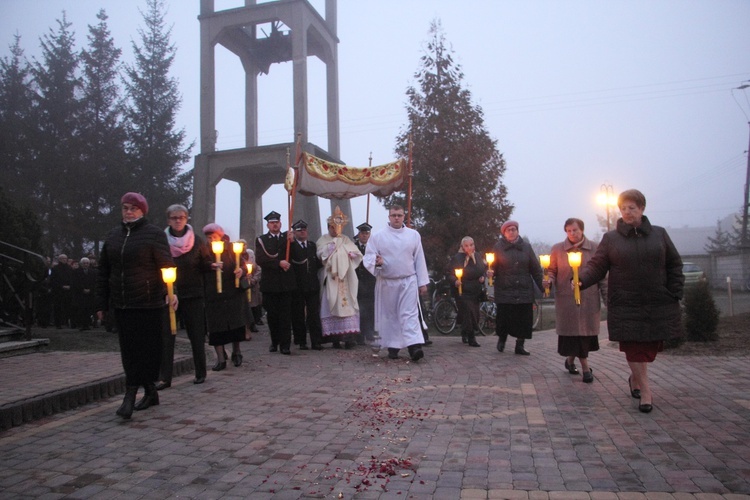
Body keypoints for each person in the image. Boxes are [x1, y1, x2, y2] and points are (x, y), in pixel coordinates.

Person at [579, 189, 684, 413]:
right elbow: (597, 266)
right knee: (634, 348)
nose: (627, 213)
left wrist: (674, 290)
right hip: (626, 302)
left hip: (656, 301)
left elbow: (674, 264)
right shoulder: (611, 239)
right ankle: (646, 392)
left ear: (642, 209)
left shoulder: (659, 234)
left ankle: (635, 378)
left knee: (649, 348)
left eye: (632, 208)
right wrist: (580, 281)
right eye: (623, 208)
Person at [96, 192, 176, 420]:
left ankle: (129, 397)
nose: (129, 212)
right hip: (122, 304)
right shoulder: (113, 237)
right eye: (125, 208)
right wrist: (102, 303)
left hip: (148, 303)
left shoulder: (154, 235)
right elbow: (104, 272)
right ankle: (150, 392)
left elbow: (167, 266)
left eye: (133, 208)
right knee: (129, 352)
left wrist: (171, 293)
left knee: (145, 352)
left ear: (142, 211)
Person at [156, 205, 213, 388]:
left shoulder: (196, 241)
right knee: (166, 337)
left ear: (187, 218)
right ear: (168, 220)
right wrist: (165, 291)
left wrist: (212, 266)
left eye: (181, 217)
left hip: (193, 294)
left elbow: (205, 264)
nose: (178, 220)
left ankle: (200, 372)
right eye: (174, 217)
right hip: (170, 295)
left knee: (196, 335)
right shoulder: (161, 241)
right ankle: (165, 377)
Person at [363, 204, 429, 361]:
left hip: (408, 280)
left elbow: (419, 259)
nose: (397, 218)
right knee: (390, 315)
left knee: (409, 314)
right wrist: (376, 262)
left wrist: (422, 282)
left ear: (404, 216)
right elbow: (369, 256)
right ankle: (393, 347)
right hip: (387, 282)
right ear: (389, 217)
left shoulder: (413, 235)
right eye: (394, 215)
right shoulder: (378, 236)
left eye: (399, 215)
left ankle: (414, 347)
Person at [547, 218, 606, 383]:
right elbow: (552, 270)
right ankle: (586, 369)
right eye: (568, 231)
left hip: (588, 299)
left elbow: (602, 275)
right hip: (567, 301)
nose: (572, 234)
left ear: (582, 230)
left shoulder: (595, 248)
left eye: (575, 230)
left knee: (583, 335)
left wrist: (607, 297)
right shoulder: (558, 249)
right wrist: (549, 280)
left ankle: (570, 361)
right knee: (574, 335)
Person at [489, 220, 544, 356]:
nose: (512, 232)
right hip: (505, 289)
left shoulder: (526, 247)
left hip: (523, 289)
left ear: (517, 231)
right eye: (509, 230)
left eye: (514, 229)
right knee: (504, 318)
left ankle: (520, 345)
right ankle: (502, 339)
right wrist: (490, 272)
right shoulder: (498, 247)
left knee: (524, 319)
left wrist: (543, 285)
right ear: (504, 233)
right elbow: (492, 267)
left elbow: (535, 269)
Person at [316, 207, 362, 348]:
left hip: (346, 279)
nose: (335, 229)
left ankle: (348, 338)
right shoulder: (323, 240)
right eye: (333, 227)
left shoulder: (346, 239)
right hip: (331, 278)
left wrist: (352, 255)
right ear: (329, 226)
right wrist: (330, 248)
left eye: (338, 227)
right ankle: (334, 338)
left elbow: (356, 253)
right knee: (330, 304)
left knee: (348, 306)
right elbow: (320, 254)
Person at [203, 223, 246, 371]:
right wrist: (210, 266)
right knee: (216, 328)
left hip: (232, 293)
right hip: (214, 296)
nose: (211, 240)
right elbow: (198, 266)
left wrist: (241, 270)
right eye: (209, 237)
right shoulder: (204, 252)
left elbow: (244, 265)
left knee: (235, 325)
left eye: (214, 237)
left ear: (220, 237)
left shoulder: (232, 250)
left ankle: (237, 352)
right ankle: (220, 358)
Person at [255, 211, 296, 355]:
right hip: (270, 285)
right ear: (268, 225)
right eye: (272, 223)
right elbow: (260, 259)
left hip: (285, 284)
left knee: (285, 316)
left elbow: (296, 256)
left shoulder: (287, 238)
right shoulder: (262, 240)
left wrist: (293, 242)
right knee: (272, 316)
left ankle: (285, 345)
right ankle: (275, 341)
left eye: (277, 222)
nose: (275, 225)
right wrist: (278, 263)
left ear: (280, 223)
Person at [289, 220, 324, 350]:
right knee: (298, 314)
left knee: (314, 314)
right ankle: (301, 340)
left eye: (304, 229)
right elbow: (294, 261)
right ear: (294, 232)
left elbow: (317, 264)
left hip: (312, 285)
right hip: (297, 286)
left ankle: (316, 341)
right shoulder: (291, 247)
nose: (302, 232)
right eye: (299, 230)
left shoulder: (312, 245)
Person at [450, 236, 487, 348]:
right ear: (462, 247)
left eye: (471, 245)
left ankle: (464, 331)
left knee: (474, 314)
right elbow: (449, 273)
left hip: (475, 291)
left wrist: (483, 277)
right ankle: (472, 337)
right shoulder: (457, 258)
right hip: (463, 291)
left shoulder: (478, 256)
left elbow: (483, 270)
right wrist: (455, 281)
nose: (469, 247)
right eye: (466, 245)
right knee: (468, 312)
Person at [354, 222, 376, 345]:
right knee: (359, 309)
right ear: (359, 234)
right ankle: (360, 335)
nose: (364, 236)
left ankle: (370, 333)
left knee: (370, 308)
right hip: (358, 280)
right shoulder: (353, 246)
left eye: (366, 233)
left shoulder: (373, 247)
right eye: (362, 233)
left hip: (370, 281)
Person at [72, 257, 97, 331]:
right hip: (80, 294)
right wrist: (82, 289)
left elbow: (95, 282)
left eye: (87, 263)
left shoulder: (93, 272)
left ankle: (88, 324)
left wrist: (90, 289)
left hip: (90, 293)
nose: (86, 265)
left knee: (89, 309)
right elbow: (75, 283)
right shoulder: (76, 272)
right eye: (84, 263)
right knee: (81, 309)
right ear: (81, 264)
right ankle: (82, 324)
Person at [51, 254, 73, 329]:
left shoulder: (70, 268)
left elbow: (72, 279)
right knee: (58, 307)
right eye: (63, 258)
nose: (64, 260)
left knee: (68, 307)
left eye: (65, 258)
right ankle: (58, 323)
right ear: (59, 259)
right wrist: (61, 286)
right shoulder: (55, 269)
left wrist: (70, 286)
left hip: (68, 291)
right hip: (58, 291)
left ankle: (67, 322)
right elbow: (53, 280)